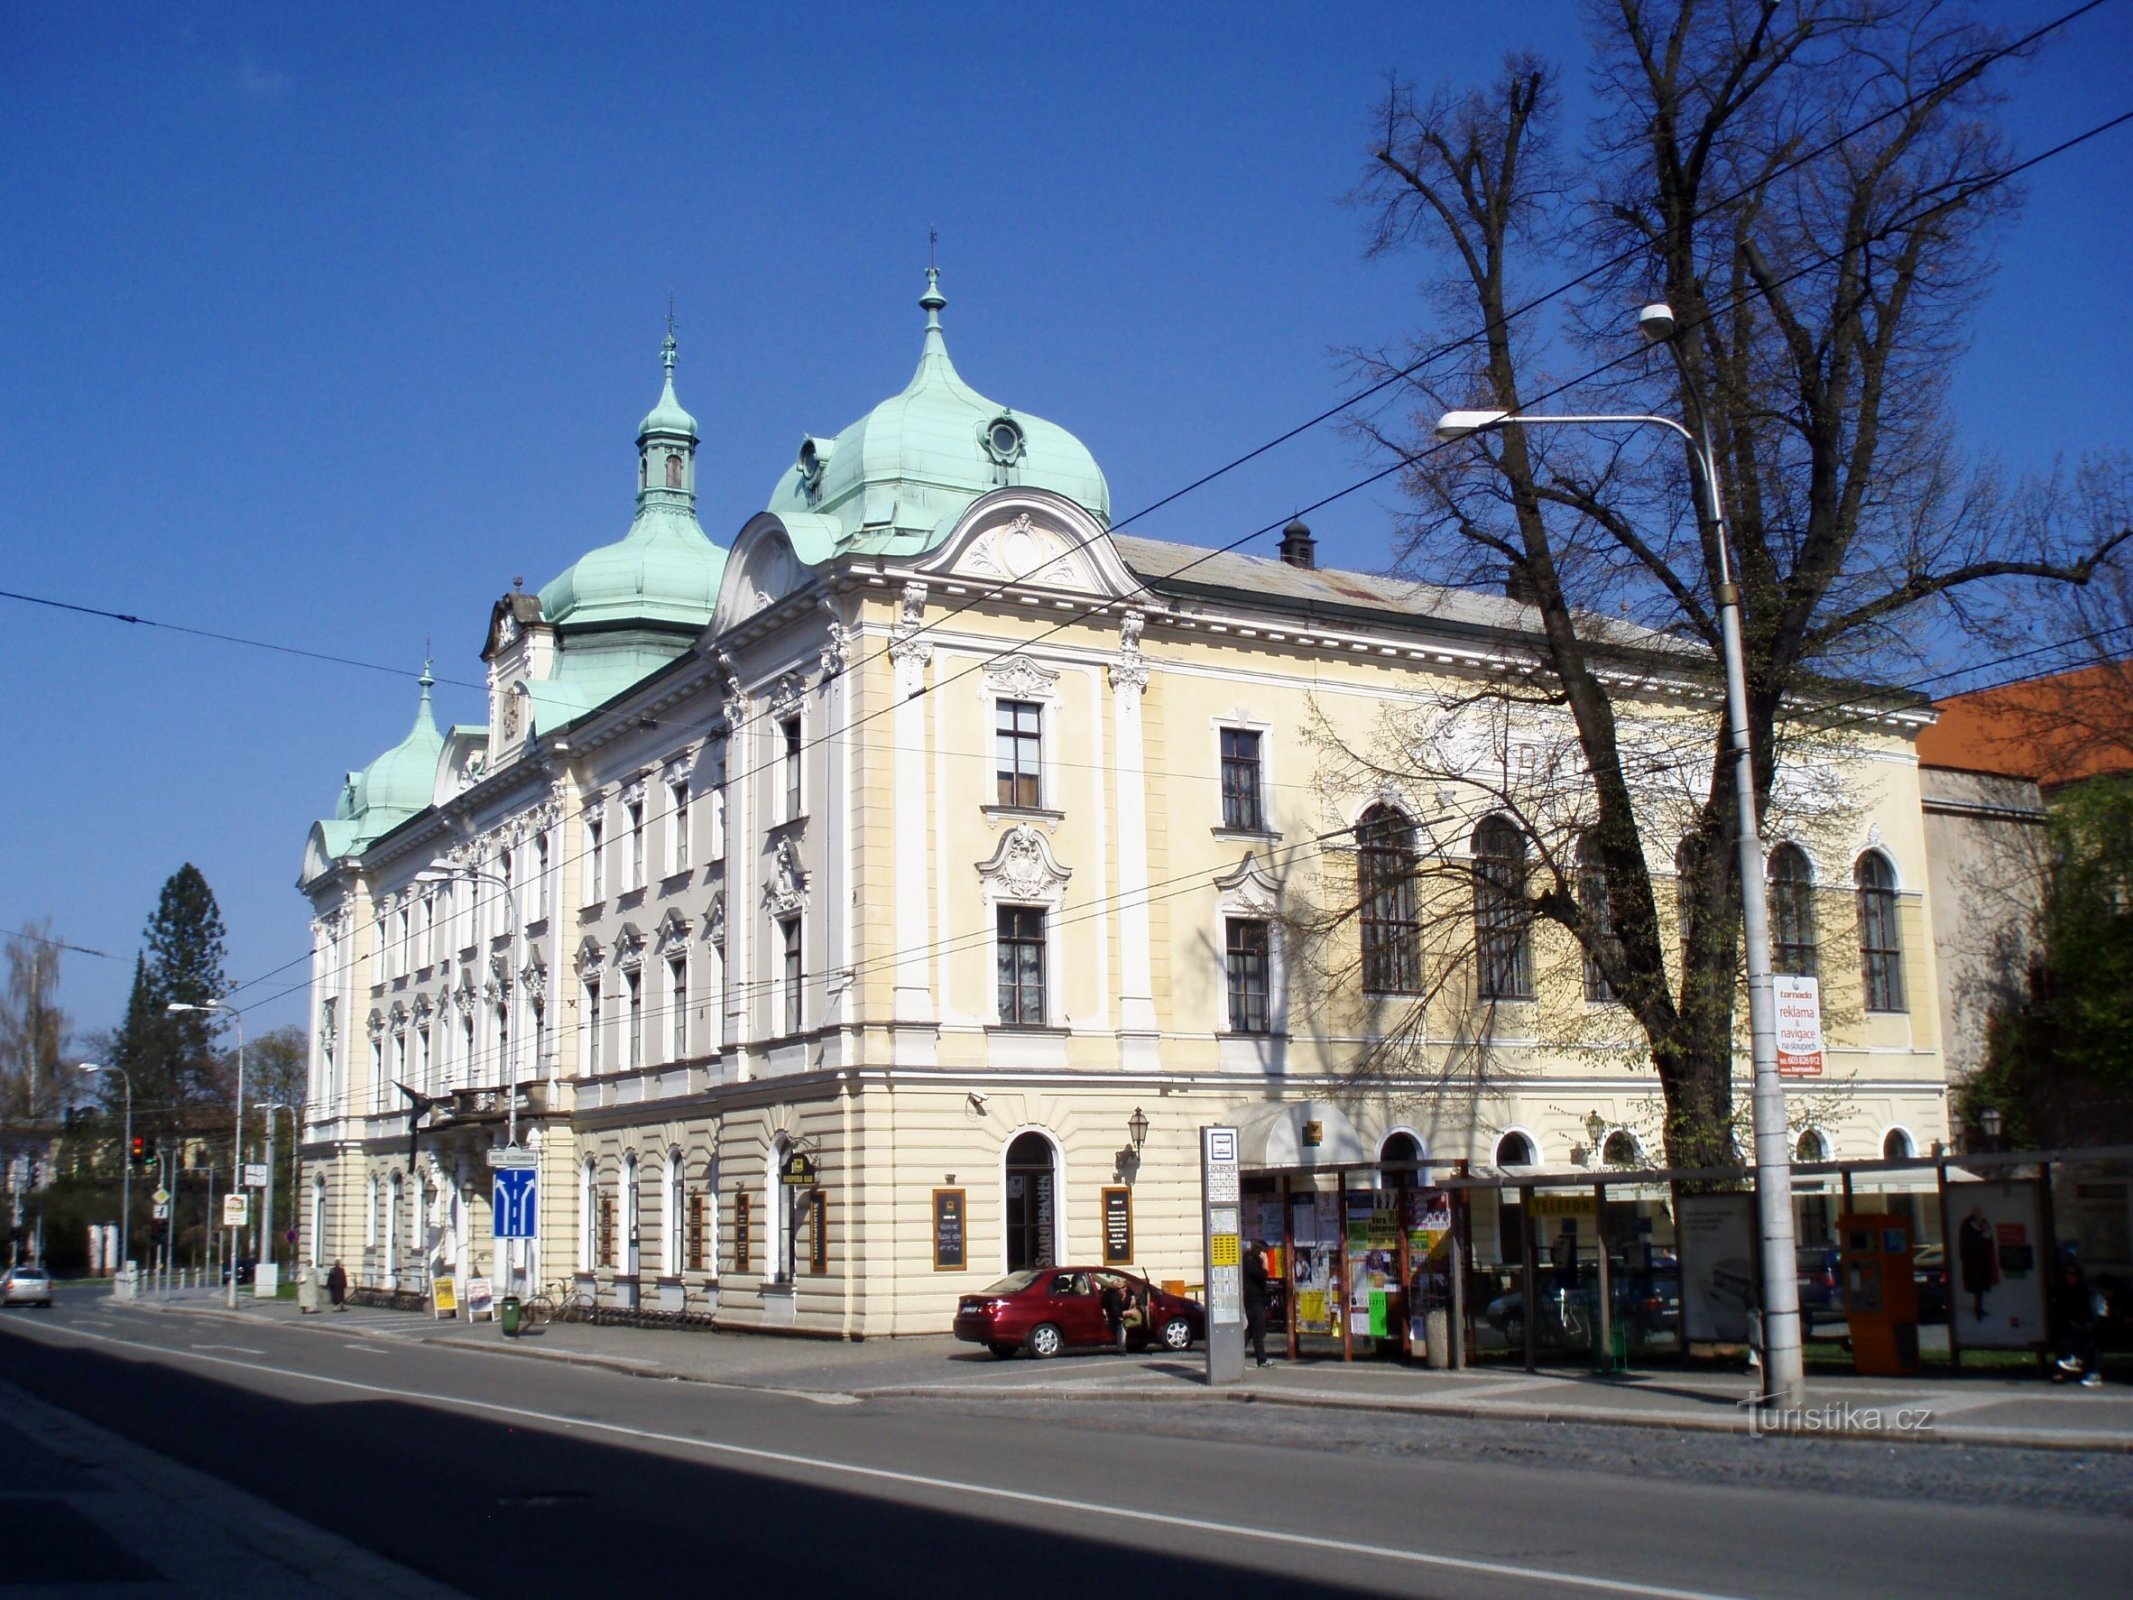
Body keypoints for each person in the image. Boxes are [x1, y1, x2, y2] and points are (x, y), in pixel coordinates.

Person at [2052, 1254, 2103, 1389]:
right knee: (2064, 1335)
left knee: (2091, 1339)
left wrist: (2085, 1324)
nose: (2071, 1277)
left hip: (2091, 1325)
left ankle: (2093, 1372)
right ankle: (2066, 1367)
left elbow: (2094, 1313)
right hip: (2074, 1325)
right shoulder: (2064, 1291)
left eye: (2074, 1274)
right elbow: (2063, 1310)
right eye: (2068, 1274)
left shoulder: (2087, 1290)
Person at [1957, 1206, 1997, 1321]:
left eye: (1980, 1212)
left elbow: (1989, 1238)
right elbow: (1965, 1242)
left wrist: (1986, 1234)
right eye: (1978, 1212)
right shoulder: (1967, 1224)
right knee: (1977, 1287)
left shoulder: (1983, 1222)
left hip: (1983, 1261)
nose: (1980, 1214)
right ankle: (1978, 1310)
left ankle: (1979, 1309)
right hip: (1973, 1262)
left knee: (1980, 1287)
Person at [1243, 1241, 1271, 1368]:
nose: (1266, 1255)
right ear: (1260, 1252)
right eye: (1265, 1252)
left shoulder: (1249, 1260)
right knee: (1258, 1331)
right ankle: (1262, 1359)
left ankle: (1233, 1353)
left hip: (1254, 1300)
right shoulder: (1250, 1262)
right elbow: (1263, 1276)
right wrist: (1265, 1262)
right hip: (1254, 1301)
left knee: (1250, 1331)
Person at [1099, 1275, 1127, 1353]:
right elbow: (1115, 1311)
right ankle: (1121, 1348)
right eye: (1119, 1288)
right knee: (1121, 1326)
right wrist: (1122, 1316)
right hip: (1115, 1318)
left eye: (1123, 1287)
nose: (1121, 1290)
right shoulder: (1114, 1297)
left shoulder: (1129, 1293)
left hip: (1127, 1316)